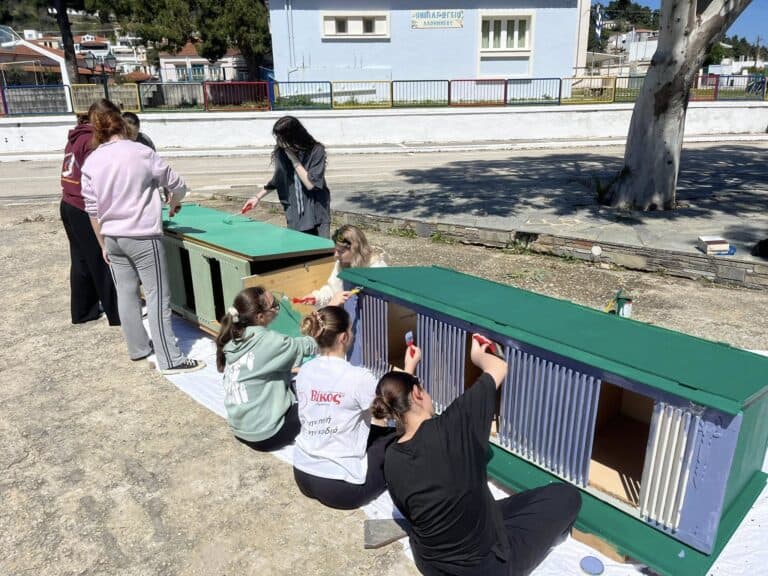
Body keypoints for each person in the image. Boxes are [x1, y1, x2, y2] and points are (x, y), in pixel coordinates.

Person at [371, 336, 582, 576]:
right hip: (485, 569)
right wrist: (478, 355)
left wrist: (407, 374)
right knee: (566, 497)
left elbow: (404, 420)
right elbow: (499, 367)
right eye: (423, 389)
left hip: (430, 564)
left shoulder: (392, 458)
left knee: (490, 506)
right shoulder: (455, 424)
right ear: (418, 394)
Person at [81, 98, 204, 375]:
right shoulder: (141, 153)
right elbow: (178, 184)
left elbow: (92, 210)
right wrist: (174, 202)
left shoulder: (92, 160)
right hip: (143, 235)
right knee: (158, 295)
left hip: (112, 235)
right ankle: (170, 358)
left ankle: (137, 348)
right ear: (122, 123)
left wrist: (102, 243)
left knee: (126, 294)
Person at [292, 307, 419, 509]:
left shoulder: (305, 370)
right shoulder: (358, 378)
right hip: (339, 488)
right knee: (394, 441)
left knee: (372, 430)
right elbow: (397, 406)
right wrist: (409, 369)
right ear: (344, 337)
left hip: (301, 472)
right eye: (351, 330)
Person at [216, 286, 317, 451]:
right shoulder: (268, 341)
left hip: (240, 429)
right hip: (266, 435)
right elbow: (310, 345)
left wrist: (288, 370)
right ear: (260, 317)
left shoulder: (235, 337)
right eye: (274, 304)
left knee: (296, 381)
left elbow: (257, 368)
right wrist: (330, 309)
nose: (278, 306)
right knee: (319, 403)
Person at [59, 112, 120, 326]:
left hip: (67, 203)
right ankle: (117, 314)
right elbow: (98, 178)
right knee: (102, 260)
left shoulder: (76, 136)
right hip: (81, 206)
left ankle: (83, 311)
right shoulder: (90, 140)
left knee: (81, 261)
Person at [241, 116, 331, 237]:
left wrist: (293, 159)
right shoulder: (281, 152)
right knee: (298, 250)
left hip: (317, 211)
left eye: (282, 138)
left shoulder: (317, 150)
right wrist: (257, 197)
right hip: (295, 213)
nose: (280, 142)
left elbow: (311, 184)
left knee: (320, 250)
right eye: (278, 138)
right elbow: (277, 179)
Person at [300, 225, 388, 307]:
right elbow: (333, 289)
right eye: (335, 250)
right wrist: (317, 297)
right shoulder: (342, 264)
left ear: (355, 250)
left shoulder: (376, 268)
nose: (336, 255)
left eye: (341, 252)